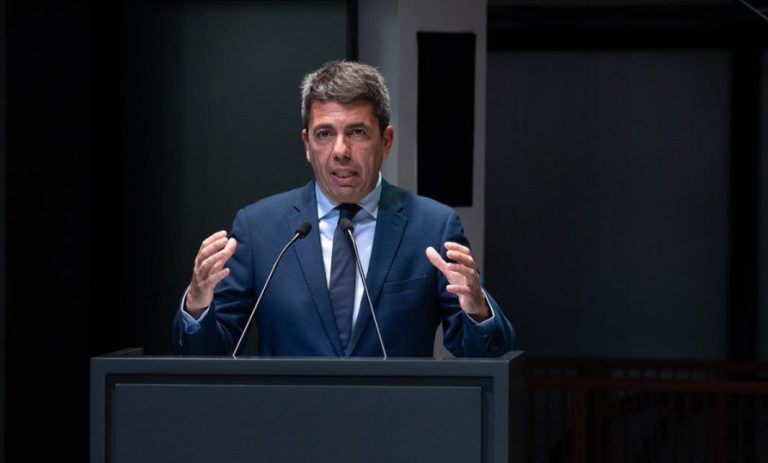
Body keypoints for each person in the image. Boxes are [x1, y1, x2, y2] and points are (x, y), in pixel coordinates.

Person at [173, 60, 515, 357]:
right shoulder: (259, 228)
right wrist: (197, 305)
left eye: (357, 132)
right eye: (325, 134)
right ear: (307, 144)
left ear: (386, 141)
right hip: (287, 413)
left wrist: (477, 310)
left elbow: (488, 355)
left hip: (395, 412)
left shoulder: (432, 227)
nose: (340, 151)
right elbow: (209, 355)